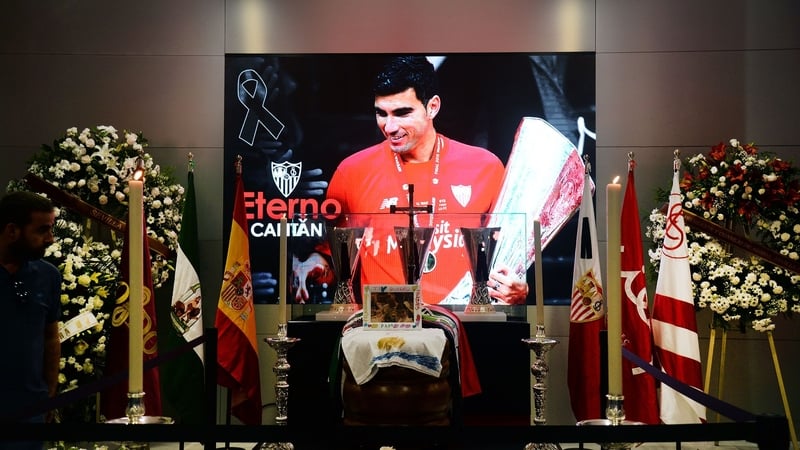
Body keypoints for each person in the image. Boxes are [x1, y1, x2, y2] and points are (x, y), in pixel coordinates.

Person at [319, 55, 528, 305]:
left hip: (463, 327)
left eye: (402, 113)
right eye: (381, 113)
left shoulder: (485, 167)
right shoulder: (351, 172)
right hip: (379, 330)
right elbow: (333, 261)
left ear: (433, 107)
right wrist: (316, 265)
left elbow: (510, 259)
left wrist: (518, 288)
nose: (390, 126)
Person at [0, 191, 61, 448]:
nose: (50, 238)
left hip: (30, 410)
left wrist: (49, 393)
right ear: (12, 231)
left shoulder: (48, 276)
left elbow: (50, 336)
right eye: (42, 230)